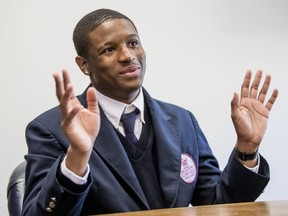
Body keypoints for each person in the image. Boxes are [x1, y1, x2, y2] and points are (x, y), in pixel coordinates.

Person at [22, 8, 278, 216]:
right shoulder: (50, 129)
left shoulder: (182, 120)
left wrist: (247, 148)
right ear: (84, 65)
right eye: (109, 49)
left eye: (133, 43)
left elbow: (218, 203)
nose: (128, 56)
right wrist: (77, 157)